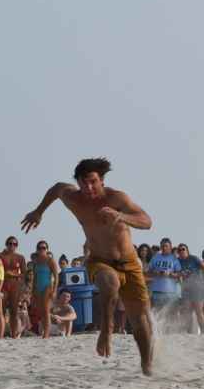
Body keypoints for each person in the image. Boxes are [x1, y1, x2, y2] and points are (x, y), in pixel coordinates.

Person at [21, 157, 154, 373]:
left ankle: (147, 364)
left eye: (93, 182)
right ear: (77, 182)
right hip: (99, 260)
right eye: (83, 182)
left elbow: (147, 221)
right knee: (109, 283)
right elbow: (56, 189)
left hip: (129, 262)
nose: (88, 188)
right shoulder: (73, 198)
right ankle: (106, 328)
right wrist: (39, 211)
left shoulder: (116, 197)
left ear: (102, 180)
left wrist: (121, 216)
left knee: (139, 320)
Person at [147, 238, 182, 332]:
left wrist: (169, 274)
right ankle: (158, 332)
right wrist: (156, 273)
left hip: (171, 292)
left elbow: (179, 274)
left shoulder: (174, 259)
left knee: (171, 314)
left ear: (170, 247)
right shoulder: (155, 258)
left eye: (166, 246)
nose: (164, 247)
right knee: (157, 313)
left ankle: (171, 333)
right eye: (162, 246)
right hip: (157, 291)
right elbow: (148, 272)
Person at [29, 240, 59, 339]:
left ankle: (46, 333)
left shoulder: (50, 261)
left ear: (47, 249)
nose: (41, 250)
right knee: (40, 312)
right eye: (39, 248)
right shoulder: (35, 262)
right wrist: (33, 291)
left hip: (47, 286)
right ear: (37, 250)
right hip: (38, 287)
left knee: (46, 311)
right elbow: (35, 278)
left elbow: (56, 276)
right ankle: (45, 331)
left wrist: (54, 290)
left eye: (43, 248)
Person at [176, 243, 204, 334]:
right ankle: (189, 333)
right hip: (186, 289)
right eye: (179, 250)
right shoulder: (178, 261)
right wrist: (180, 283)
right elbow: (178, 274)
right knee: (188, 312)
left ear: (187, 250)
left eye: (183, 249)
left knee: (199, 311)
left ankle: (202, 332)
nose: (181, 251)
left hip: (197, 288)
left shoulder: (194, 258)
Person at [0, 236, 27, 338]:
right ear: (6, 244)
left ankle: (14, 335)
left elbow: (24, 274)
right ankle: (0, 334)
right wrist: (2, 274)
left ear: (17, 246)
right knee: (0, 312)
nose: (12, 245)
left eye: (14, 244)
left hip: (15, 285)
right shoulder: (0, 256)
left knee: (14, 312)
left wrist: (14, 275)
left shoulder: (20, 257)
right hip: (3, 285)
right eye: (10, 243)